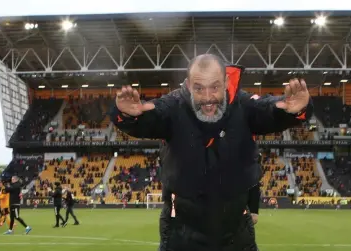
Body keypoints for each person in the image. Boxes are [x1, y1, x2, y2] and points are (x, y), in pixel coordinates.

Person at [111, 54, 313, 250]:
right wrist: (127, 115)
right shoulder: (173, 107)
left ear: (226, 82)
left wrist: (294, 110)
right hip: (180, 231)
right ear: (189, 85)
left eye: (215, 87)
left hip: (236, 233)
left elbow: (269, 110)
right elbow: (149, 118)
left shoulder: (243, 106)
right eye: (199, 89)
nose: (208, 98)